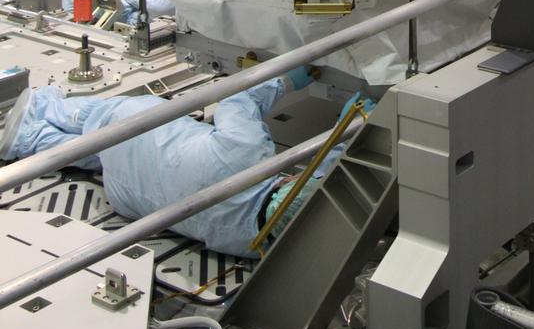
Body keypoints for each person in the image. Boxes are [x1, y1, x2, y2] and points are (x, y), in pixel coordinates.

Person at [0, 69, 318, 258]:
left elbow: (237, 102)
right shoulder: (254, 245)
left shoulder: (249, 156)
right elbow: (313, 194)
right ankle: (31, 140)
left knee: (108, 120)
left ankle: (40, 111)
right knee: (106, 157)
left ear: (290, 182)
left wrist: (288, 79)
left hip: (134, 139)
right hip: (127, 198)